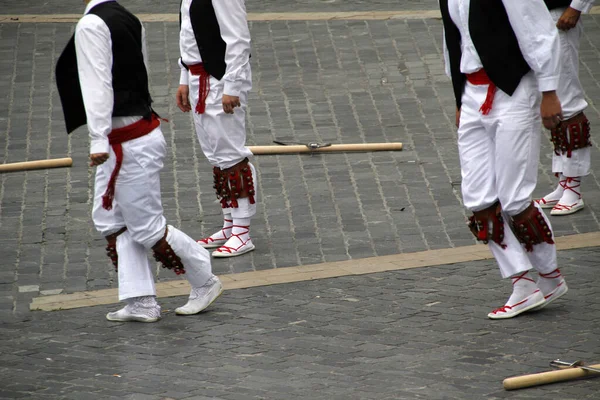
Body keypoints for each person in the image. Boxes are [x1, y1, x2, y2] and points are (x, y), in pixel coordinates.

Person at [55, 0, 223, 322]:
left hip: (129, 144)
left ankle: (204, 279)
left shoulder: (92, 24)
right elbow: (138, 72)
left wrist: (98, 139)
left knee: (147, 227)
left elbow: (97, 85)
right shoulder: (127, 17)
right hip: (132, 139)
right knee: (109, 220)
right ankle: (140, 300)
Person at [439, 0, 569, 319]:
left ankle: (549, 274)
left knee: (514, 199)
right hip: (472, 94)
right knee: (478, 198)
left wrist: (549, 91)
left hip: (514, 91)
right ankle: (523, 282)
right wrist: (460, 97)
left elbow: (538, 32)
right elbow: (453, 41)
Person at [176, 0, 258, 258]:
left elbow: (238, 40)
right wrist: (184, 78)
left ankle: (242, 232)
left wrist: (231, 86)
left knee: (230, 155)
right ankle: (229, 224)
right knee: (215, 155)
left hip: (219, 80)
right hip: (197, 77)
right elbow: (188, 35)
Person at [535, 0, 595, 216]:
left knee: (567, 100)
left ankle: (573, 187)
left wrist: (576, 7)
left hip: (558, 14)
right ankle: (563, 182)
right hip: (534, 15)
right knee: (551, 100)